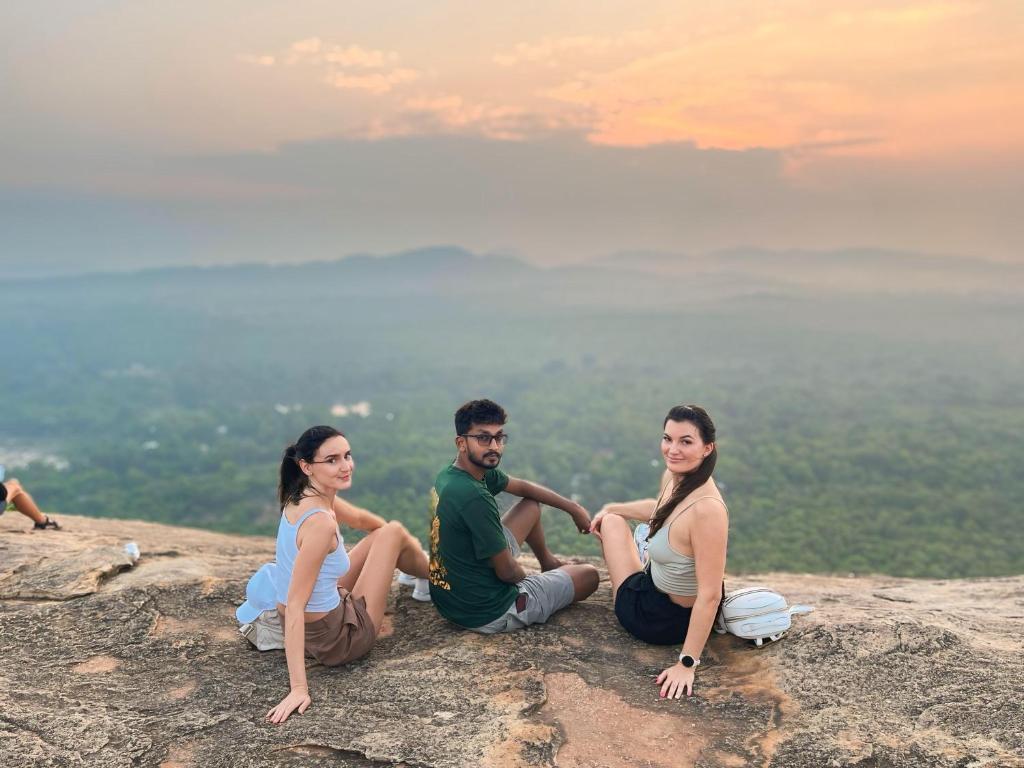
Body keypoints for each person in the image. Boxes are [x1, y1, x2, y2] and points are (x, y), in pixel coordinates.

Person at [250, 426, 430, 724]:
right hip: (336, 640)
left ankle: (422, 572)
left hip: (312, 625)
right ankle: (433, 578)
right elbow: (296, 605)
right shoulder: (320, 523)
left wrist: (385, 540)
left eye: (347, 455)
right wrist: (298, 688)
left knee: (389, 533)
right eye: (332, 460)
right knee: (395, 531)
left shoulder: (300, 495)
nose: (345, 466)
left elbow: (362, 520)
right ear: (306, 466)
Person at [590, 405, 728, 700]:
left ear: (707, 448)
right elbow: (661, 511)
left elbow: (711, 595)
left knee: (614, 528)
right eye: (668, 438)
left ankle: (644, 555)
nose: (673, 449)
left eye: (686, 441)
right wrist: (613, 508)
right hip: (658, 582)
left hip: (658, 618)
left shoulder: (707, 510)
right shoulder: (675, 476)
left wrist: (687, 663)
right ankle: (649, 552)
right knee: (612, 519)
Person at [428, 399, 599, 634]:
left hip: (450, 600)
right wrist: (528, 581)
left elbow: (523, 488)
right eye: (483, 438)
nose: (495, 447)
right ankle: (538, 586)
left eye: (499, 437)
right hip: (487, 610)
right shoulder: (474, 496)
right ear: (461, 443)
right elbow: (508, 572)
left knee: (530, 506)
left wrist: (573, 508)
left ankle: (548, 562)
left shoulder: (453, 474)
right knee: (589, 575)